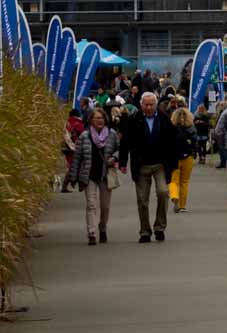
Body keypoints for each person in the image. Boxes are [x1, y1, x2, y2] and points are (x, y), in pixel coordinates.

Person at [118, 91, 177, 242]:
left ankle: (160, 227)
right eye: (146, 104)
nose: (149, 107)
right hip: (141, 164)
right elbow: (125, 142)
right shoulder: (133, 119)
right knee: (142, 199)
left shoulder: (164, 118)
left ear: (156, 104)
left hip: (160, 164)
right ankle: (145, 231)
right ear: (141, 105)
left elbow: (173, 141)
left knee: (163, 193)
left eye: (152, 104)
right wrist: (123, 162)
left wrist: (174, 163)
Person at [68, 105, 119, 244]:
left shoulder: (112, 134)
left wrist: (114, 158)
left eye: (102, 118)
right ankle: (91, 233)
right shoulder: (84, 136)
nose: (100, 120)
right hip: (89, 175)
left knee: (105, 206)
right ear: (91, 120)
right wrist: (73, 176)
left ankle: (102, 227)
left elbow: (120, 150)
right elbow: (77, 157)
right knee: (91, 205)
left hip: (105, 175)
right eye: (97, 118)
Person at [168, 99, 197, 212]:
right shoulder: (191, 127)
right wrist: (194, 153)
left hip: (174, 156)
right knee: (184, 182)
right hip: (188, 156)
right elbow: (195, 141)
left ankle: (174, 196)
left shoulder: (171, 127)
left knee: (173, 180)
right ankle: (182, 205)